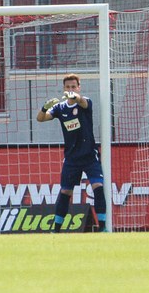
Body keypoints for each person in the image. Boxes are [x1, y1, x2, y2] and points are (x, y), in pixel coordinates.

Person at [36, 73, 107, 232]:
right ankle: (56, 229)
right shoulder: (60, 108)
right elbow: (40, 118)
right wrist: (44, 108)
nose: (70, 89)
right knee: (65, 191)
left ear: (79, 87)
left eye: (73, 87)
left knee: (97, 186)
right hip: (72, 158)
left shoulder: (85, 102)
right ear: (64, 88)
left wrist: (75, 97)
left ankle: (102, 227)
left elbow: (81, 101)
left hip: (89, 155)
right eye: (68, 87)